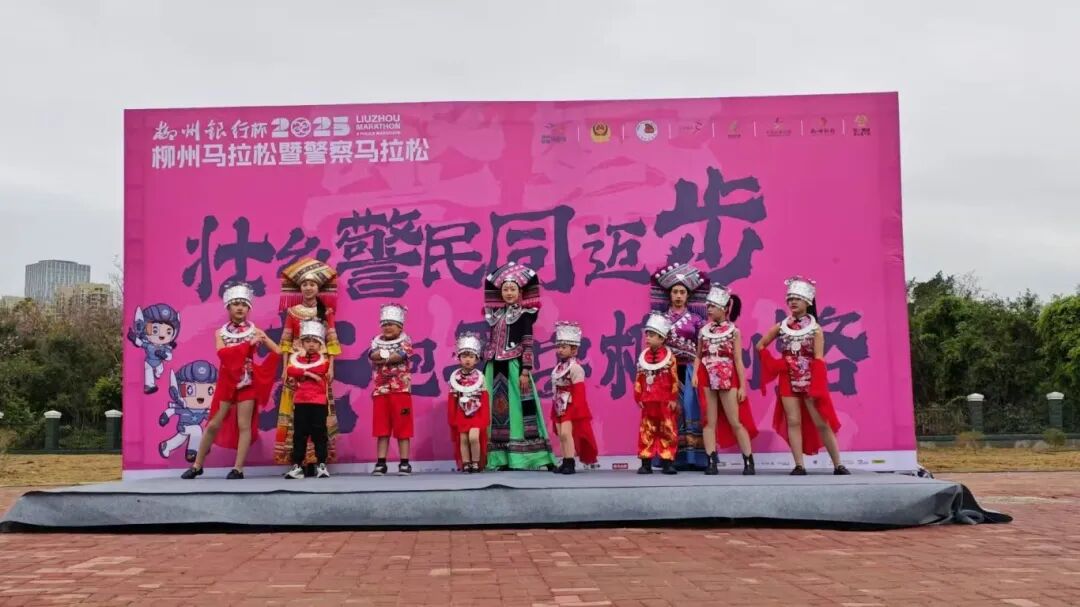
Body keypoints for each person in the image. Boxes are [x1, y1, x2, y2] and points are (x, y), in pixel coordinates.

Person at [182, 283, 280, 479]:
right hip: (227, 381)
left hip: (247, 382)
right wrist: (248, 345)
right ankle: (197, 465)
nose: (240, 308)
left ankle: (238, 468)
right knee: (213, 424)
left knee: (244, 425)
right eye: (235, 304)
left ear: (249, 308)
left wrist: (262, 343)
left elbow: (277, 351)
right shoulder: (220, 333)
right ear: (228, 307)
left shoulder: (255, 331)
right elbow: (223, 354)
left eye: (243, 304)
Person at [755, 276, 850, 475]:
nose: (793, 302)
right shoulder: (782, 326)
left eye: (797, 299)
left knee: (821, 422)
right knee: (793, 421)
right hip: (788, 379)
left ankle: (838, 464)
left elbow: (819, 359)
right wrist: (777, 364)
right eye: (790, 299)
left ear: (807, 302)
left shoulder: (815, 329)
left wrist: (816, 386)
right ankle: (799, 465)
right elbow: (760, 345)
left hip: (810, 380)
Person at [482, 262, 556, 471]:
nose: (508, 293)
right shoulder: (495, 316)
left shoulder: (525, 314)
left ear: (520, 292)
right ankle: (501, 458)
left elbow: (527, 342)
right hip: (494, 367)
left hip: (515, 365)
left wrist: (525, 369)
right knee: (495, 413)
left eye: (512, 289)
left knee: (520, 411)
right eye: (505, 289)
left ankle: (530, 457)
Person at [274, 258, 341, 476]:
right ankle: (297, 461)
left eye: (312, 284)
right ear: (300, 288)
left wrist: (331, 367)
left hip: (320, 365)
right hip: (296, 365)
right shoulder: (292, 312)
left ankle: (317, 461)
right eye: (304, 284)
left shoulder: (326, 312)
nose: (308, 287)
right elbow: (286, 341)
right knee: (297, 415)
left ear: (318, 288)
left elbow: (332, 341)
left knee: (318, 416)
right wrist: (285, 367)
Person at [692, 285, 758, 475]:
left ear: (724, 308)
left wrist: (742, 386)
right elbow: (698, 355)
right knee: (708, 421)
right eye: (708, 306)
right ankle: (711, 460)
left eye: (713, 306)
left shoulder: (733, 331)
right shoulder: (704, 331)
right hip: (706, 375)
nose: (709, 309)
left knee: (735, 421)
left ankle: (748, 460)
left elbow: (738, 360)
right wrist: (695, 373)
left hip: (728, 376)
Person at [649, 263, 710, 469]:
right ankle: (669, 457)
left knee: (692, 409)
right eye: (675, 291)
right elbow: (651, 345)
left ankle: (694, 458)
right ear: (669, 294)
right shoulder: (660, 319)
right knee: (670, 411)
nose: (678, 295)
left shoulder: (696, 319)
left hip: (690, 370)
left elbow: (702, 347)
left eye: (682, 292)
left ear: (688, 296)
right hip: (666, 371)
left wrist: (699, 370)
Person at [370, 303, 414, 476]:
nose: (387, 327)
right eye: (385, 324)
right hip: (380, 392)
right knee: (381, 429)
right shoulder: (375, 341)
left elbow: (400, 356)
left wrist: (383, 358)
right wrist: (386, 357)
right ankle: (381, 463)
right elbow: (372, 355)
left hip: (401, 392)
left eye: (391, 324)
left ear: (400, 326)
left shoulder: (406, 341)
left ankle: (404, 463)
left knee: (403, 428)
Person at [283, 321, 332, 480]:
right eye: (308, 341)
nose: (311, 345)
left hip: (318, 402)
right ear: (302, 343)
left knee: (319, 434)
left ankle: (321, 464)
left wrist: (303, 372)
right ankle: (297, 465)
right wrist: (309, 374)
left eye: (315, 342)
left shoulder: (323, 360)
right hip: (301, 401)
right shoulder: (297, 359)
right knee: (299, 434)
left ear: (320, 344)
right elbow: (291, 370)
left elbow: (321, 369)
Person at [634, 312, 680, 475]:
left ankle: (667, 462)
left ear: (661, 338)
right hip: (648, 401)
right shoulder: (643, 357)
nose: (647, 338)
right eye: (647, 335)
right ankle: (646, 462)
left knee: (668, 429)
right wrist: (638, 397)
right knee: (647, 430)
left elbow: (674, 379)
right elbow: (639, 379)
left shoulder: (670, 358)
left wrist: (673, 398)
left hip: (664, 401)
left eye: (652, 335)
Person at [549, 321, 598, 475]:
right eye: (559, 346)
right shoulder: (557, 368)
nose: (560, 350)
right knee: (561, 435)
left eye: (564, 347)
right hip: (558, 405)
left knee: (566, 433)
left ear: (574, 350)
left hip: (570, 405)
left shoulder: (576, 368)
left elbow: (579, 391)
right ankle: (565, 460)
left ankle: (570, 463)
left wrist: (577, 409)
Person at [448, 333, 490, 473]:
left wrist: (485, 417)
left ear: (476, 359)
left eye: (471, 357)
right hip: (461, 413)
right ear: (459, 358)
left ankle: (476, 462)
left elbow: (485, 398)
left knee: (473, 437)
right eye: (464, 356)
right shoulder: (455, 377)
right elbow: (453, 399)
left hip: (477, 413)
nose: (467, 359)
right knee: (463, 439)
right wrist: (452, 417)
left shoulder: (480, 377)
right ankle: (466, 463)